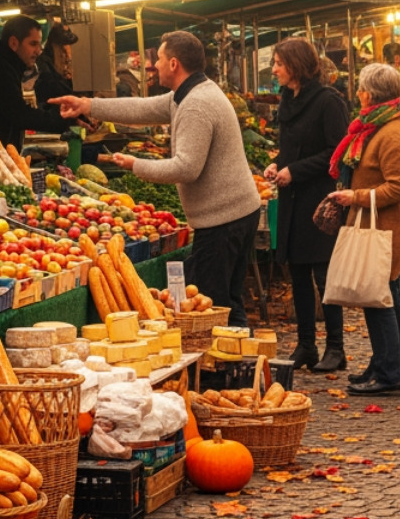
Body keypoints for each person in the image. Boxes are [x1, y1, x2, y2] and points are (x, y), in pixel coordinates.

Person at [51, 31, 262, 325]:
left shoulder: (196, 104)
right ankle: (244, 364)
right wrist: (88, 105)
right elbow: (143, 108)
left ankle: (227, 368)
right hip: (235, 213)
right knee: (227, 303)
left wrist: (135, 164)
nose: (155, 66)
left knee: (214, 310)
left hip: (223, 221)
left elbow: (186, 168)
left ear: (174, 64)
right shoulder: (190, 92)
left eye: (160, 59)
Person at [324, 63, 400, 395]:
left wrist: (357, 196)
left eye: (361, 89)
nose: (358, 94)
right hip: (379, 226)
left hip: (386, 229)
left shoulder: (392, 134)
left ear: (370, 93)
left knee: (381, 302)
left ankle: (390, 373)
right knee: (385, 299)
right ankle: (387, 365)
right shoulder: (380, 126)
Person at [264, 38, 351, 372]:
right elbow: (291, 147)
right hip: (292, 199)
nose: (274, 70)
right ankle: (306, 345)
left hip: (319, 199)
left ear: (296, 65)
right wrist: (277, 163)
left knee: (323, 275)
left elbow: (336, 152)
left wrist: (294, 170)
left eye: (279, 63)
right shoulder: (289, 99)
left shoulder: (329, 101)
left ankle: (336, 347)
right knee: (297, 273)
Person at [0, 15, 73, 151]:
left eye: (39, 45)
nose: (38, 51)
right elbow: (19, 114)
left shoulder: (7, 64)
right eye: (33, 44)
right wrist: (60, 119)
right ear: (13, 43)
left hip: (1, 150)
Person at [35, 21, 78, 106]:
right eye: (64, 46)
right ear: (56, 46)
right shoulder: (43, 64)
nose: (67, 51)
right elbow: (53, 91)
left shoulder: (57, 64)